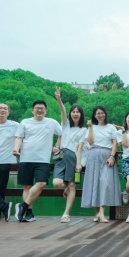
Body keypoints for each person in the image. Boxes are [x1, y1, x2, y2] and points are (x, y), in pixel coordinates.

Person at [13, 100, 62, 222]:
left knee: (42, 183)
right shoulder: (25, 122)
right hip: (26, 158)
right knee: (27, 186)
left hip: (43, 159)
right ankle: (29, 213)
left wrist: (57, 146)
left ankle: (23, 206)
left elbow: (62, 134)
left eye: (42, 108)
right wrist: (15, 149)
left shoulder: (52, 122)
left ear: (45, 111)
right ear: (32, 110)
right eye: (37, 108)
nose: (39, 110)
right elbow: (19, 138)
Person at [80, 106, 121, 223]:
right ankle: (97, 213)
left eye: (102, 113)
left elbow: (115, 143)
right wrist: (90, 127)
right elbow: (90, 141)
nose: (100, 115)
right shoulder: (91, 127)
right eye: (98, 113)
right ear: (94, 115)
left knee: (105, 182)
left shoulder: (111, 128)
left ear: (105, 114)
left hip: (107, 155)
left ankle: (102, 213)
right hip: (93, 155)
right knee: (94, 182)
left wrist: (112, 156)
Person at [52, 87, 86, 223]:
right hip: (61, 156)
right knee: (56, 183)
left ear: (81, 115)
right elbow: (63, 111)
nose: (75, 114)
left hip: (74, 157)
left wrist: (78, 163)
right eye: (73, 111)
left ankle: (66, 214)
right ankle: (66, 187)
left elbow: (81, 148)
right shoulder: (65, 125)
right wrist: (59, 99)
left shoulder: (84, 130)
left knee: (72, 186)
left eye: (78, 112)